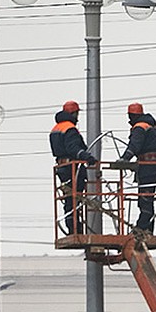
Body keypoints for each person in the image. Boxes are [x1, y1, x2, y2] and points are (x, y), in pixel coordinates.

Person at [50, 100, 98, 235]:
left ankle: (73, 228)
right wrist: (87, 157)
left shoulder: (56, 129)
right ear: (73, 113)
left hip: (62, 167)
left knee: (69, 199)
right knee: (75, 199)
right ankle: (75, 229)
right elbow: (73, 149)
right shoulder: (70, 129)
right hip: (72, 168)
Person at [119, 103, 156, 233]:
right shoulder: (150, 124)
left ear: (132, 116)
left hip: (147, 167)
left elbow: (135, 145)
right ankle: (147, 228)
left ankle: (142, 227)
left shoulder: (140, 127)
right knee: (147, 198)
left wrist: (125, 159)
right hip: (152, 167)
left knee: (145, 199)